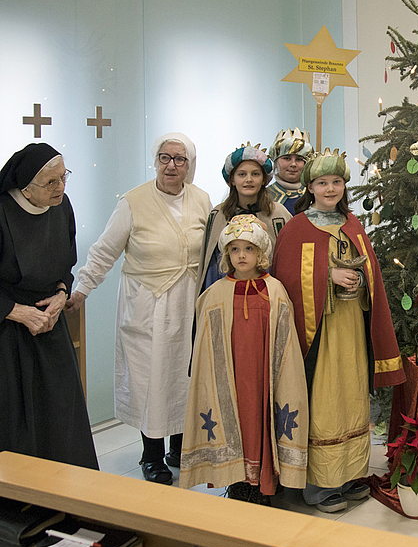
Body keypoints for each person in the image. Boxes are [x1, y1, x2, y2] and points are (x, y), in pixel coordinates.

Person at [68, 133, 211, 485]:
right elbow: (104, 251)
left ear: (189, 164)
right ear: (155, 160)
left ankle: (179, 447)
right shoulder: (133, 202)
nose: (171, 165)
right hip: (149, 304)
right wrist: (83, 288)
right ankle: (151, 455)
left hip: (188, 303)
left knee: (184, 377)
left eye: (179, 159)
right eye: (164, 157)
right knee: (153, 380)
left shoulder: (202, 199)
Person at [271, 148, 405, 513]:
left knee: (350, 397)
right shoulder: (298, 227)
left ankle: (348, 474)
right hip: (318, 336)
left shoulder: (352, 225)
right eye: (322, 182)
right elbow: (283, 280)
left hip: (351, 328)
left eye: (337, 182)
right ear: (309, 186)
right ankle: (318, 483)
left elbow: (372, 274)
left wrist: (360, 281)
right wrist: (326, 276)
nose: (330, 189)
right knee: (325, 400)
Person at [181, 215, 308, 505]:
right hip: (230, 374)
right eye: (235, 249)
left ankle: (263, 483)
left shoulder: (274, 290)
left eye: (249, 249)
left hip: (264, 374)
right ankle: (237, 483)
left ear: (260, 253)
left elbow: (286, 342)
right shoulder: (214, 294)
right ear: (226, 254)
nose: (241, 255)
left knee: (259, 420)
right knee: (235, 419)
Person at [0, 143, 98, 470]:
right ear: (25, 187)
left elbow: (64, 264)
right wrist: (16, 311)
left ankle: (67, 501)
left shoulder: (62, 206)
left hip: (49, 322)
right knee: (17, 421)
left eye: (63, 177)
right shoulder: (1, 212)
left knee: (61, 415)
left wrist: (60, 294)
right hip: (8, 328)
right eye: (51, 182)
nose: (60, 188)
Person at [198, 144, 291, 296]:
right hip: (228, 294)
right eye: (242, 174)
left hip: (268, 295)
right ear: (232, 180)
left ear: (263, 179)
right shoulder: (218, 215)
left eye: (255, 174)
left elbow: (287, 261)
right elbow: (211, 268)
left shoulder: (278, 214)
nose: (249, 180)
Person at [267, 128, 313, 214]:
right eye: (287, 158)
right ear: (276, 162)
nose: (293, 164)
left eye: (299, 159)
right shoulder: (264, 196)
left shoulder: (315, 194)